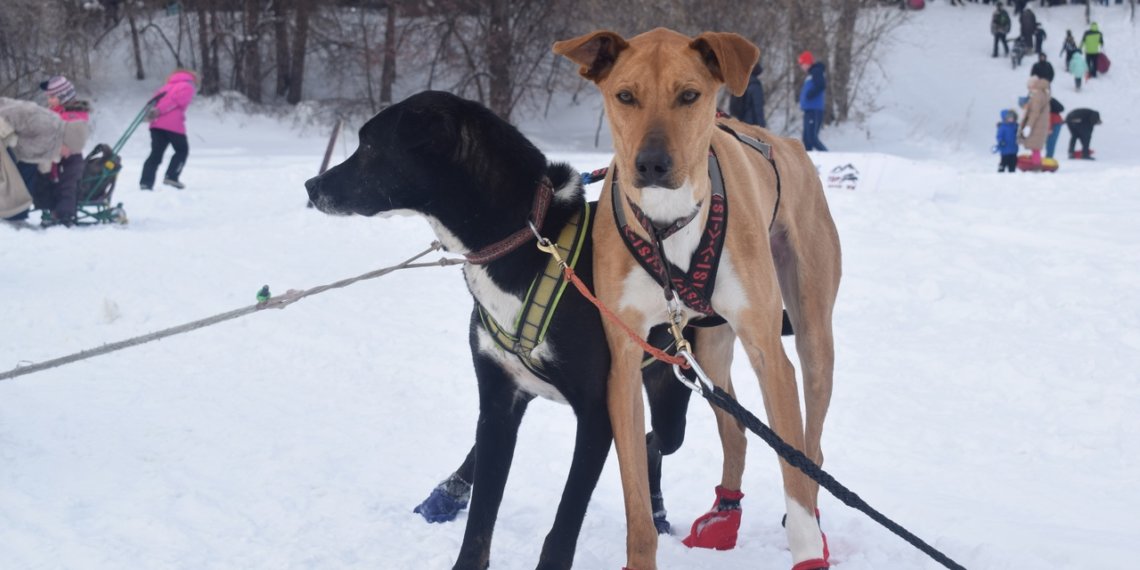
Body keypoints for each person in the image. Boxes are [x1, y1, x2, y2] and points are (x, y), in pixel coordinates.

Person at [0, 97, 88, 223]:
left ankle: (16, 216)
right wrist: (7, 136)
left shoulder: (53, 143)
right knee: (13, 176)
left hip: (15, 151)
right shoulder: (47, 123)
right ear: (66, 141)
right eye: (70, 150)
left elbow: (34, 155)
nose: (68, 155)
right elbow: (15, 111)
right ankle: (12, 217)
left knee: (28, 173)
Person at [40, 76, 92, 226]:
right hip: (53, 157)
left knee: (67, 186)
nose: (49, 100)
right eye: (48, 96)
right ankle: (55, 211)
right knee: (53, 185)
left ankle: (65, 215)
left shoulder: (74, 113)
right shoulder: (50, 112)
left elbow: (74, 135)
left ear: (63, 97)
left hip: (71, 159)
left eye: (52, 97)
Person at [140, 68, 197, 190]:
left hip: (156, 125)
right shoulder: (187, 86)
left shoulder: (165, 87)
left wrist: (151, 113)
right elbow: (175, 101)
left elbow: (152, 102)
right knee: (182, 150)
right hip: (173, 125)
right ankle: (171, 177)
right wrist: (159, 110)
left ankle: (146, 182)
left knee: (156, 153)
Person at [797, 51, 827, 152]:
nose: (802, 66)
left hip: (814, 109)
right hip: (809, 110)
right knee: (806, 140)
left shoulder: (816, 71)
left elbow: (821, 85)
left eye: (803, 63)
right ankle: (807, 163)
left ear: (808, 62)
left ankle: (830, 157)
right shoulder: (811, 74)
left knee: (812, 138)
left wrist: (810, 94)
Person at [1018, 76, 1050, 167]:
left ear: (1033, 86)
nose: (1029, 90)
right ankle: (1035, 163)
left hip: (1036, 125)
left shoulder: (1037, 95)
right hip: (1040, 124)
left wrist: (1029, 126)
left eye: (1029, 87)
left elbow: (1034, 112)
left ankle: (1036, 165)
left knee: (1035, 146)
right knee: (1035, 146)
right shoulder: (1043, 93)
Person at [728, 62, 766, 128]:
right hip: (751, 126)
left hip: (739, 124)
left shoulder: (739, 82)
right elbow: (757, 108)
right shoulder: (755, 85)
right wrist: (762, 128)